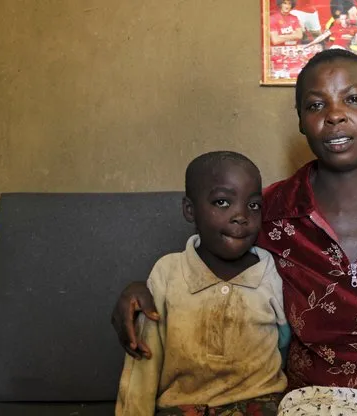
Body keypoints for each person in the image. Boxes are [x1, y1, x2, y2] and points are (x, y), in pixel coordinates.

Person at [112, 49, 357, 395]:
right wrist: (142, 290)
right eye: (316, 105)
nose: (335, 116)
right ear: (300, 120)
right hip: (316, 396)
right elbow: (213, 262)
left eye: (353, 99)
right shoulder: (273, 209)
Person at [115, 152, 290, 416]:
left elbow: (285, 346)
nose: (241, 216)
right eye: (222, 202)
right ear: (189, 210)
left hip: (260, 404)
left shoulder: (271, 272)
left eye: (253, 205)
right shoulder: (168, 273)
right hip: (183, 407)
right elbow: (143, 363)